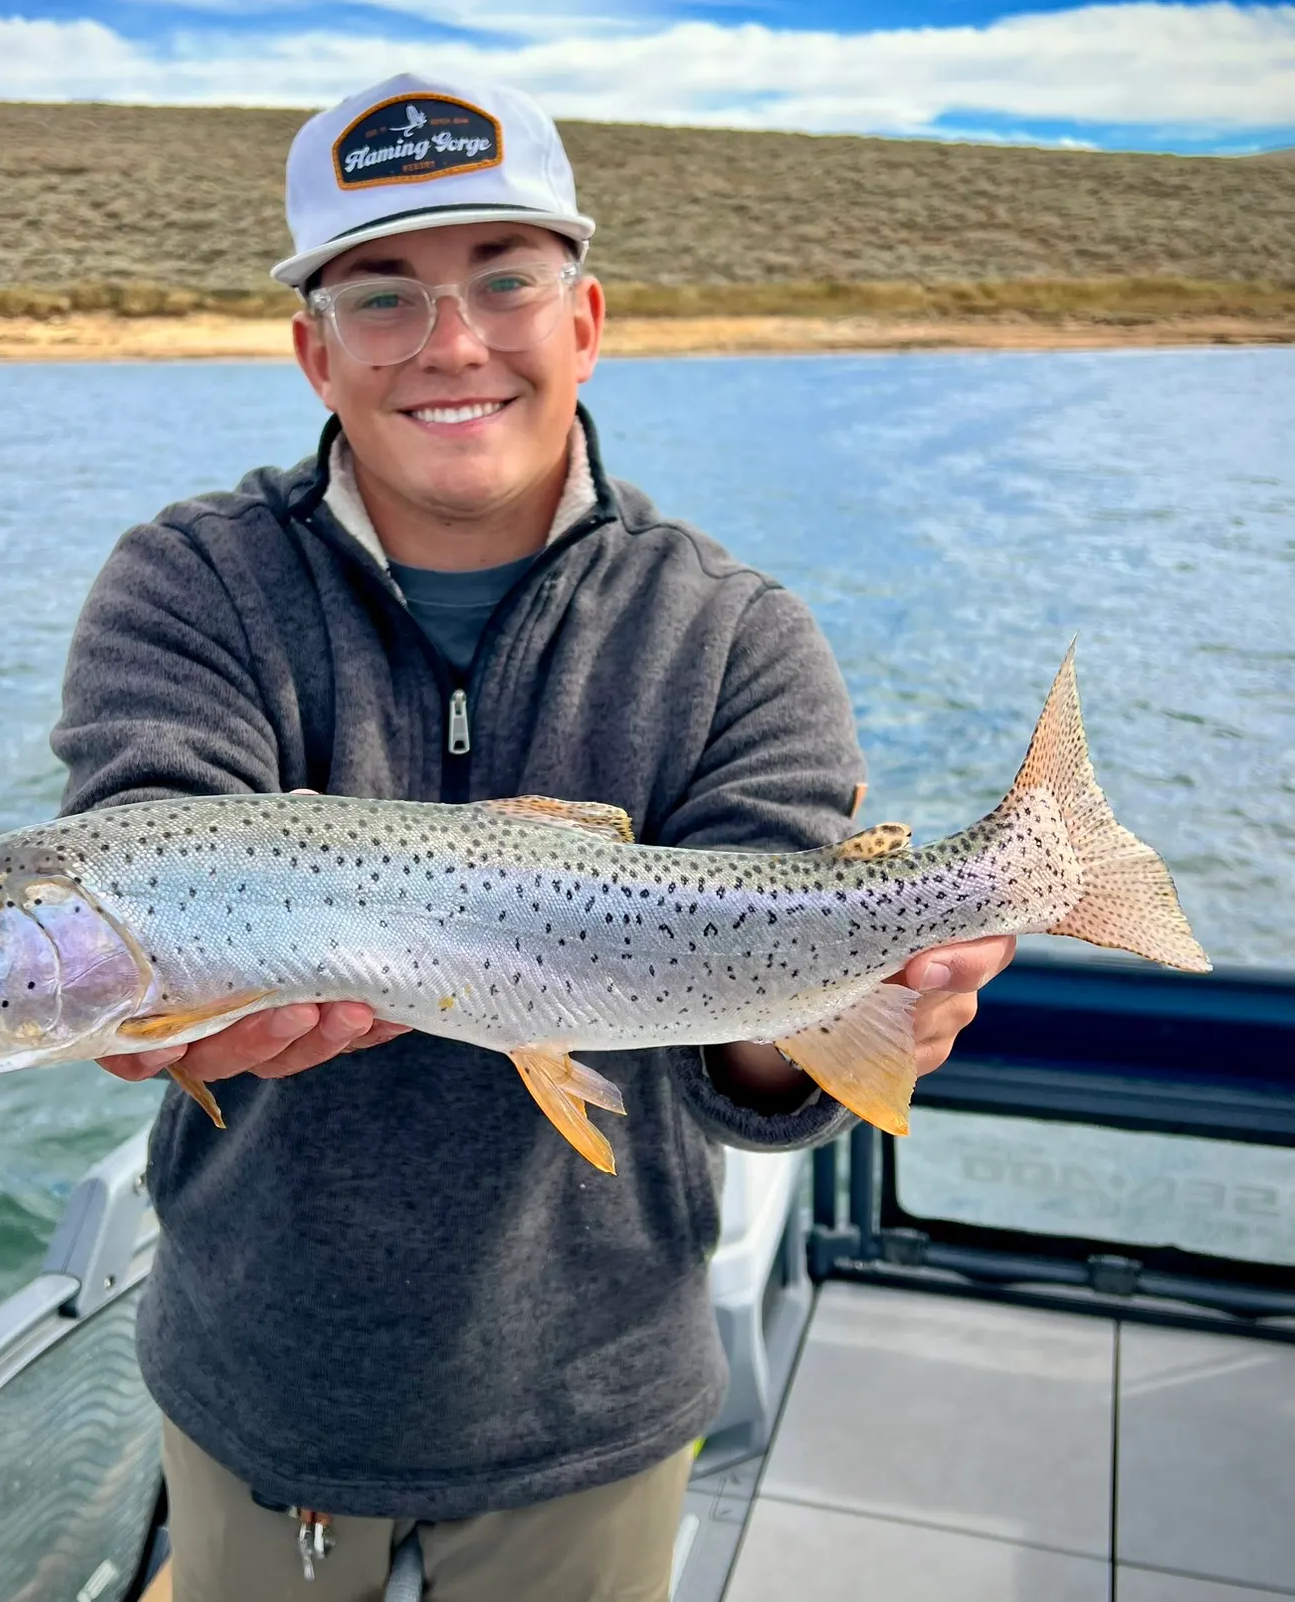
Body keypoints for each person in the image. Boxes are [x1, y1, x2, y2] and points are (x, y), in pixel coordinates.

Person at [51, 72, 1014, 1602]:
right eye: (382, 297)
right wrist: (157, 1013)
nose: (452, 343)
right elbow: (141, 836)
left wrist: (859, 1009)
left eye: (504, 280)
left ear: (585, 320)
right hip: (262, 1391)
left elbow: (751, 1081)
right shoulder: (188, 584)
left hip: (597, 1401)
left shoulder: (735, 633)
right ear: (312, 350)